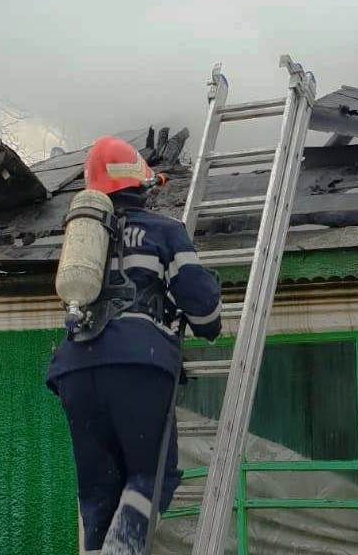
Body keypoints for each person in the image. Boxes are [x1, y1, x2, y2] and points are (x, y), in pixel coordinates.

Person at [47, 136, 222, 555]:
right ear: (141, 183)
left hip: (75, 369)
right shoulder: (165, 231)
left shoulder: (81, 241)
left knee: (97, 492)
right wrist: (210, 322)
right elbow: (202, 308)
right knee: (152, 477)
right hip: (138, 366)